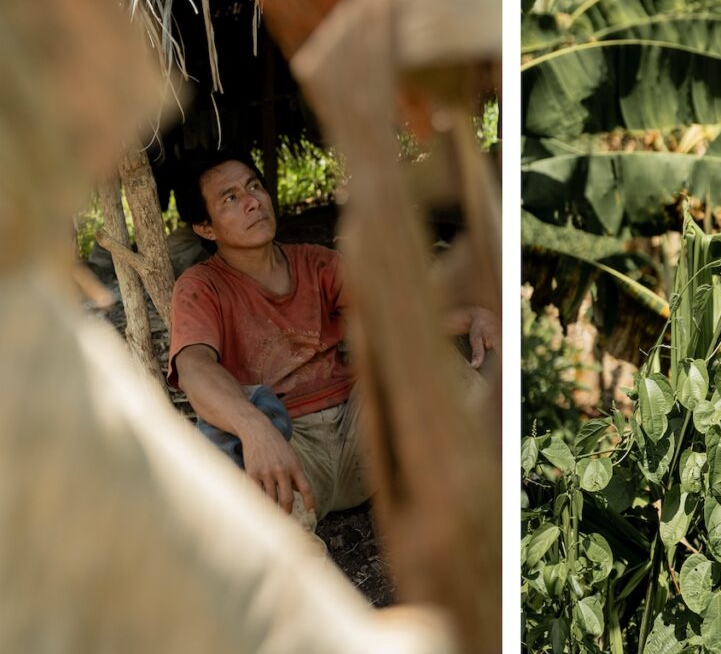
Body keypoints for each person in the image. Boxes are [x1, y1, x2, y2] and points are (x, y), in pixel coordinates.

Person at [166, 150, 497, 531]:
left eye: (254, 187)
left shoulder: (317, 263)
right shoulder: (200, 287)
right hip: (289, 451)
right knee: (222, 465)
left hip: (363, 435)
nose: (253, 202)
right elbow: (195, 369)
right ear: (205, 228)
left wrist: (471, 317)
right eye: (231, 199)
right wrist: (254, 428)